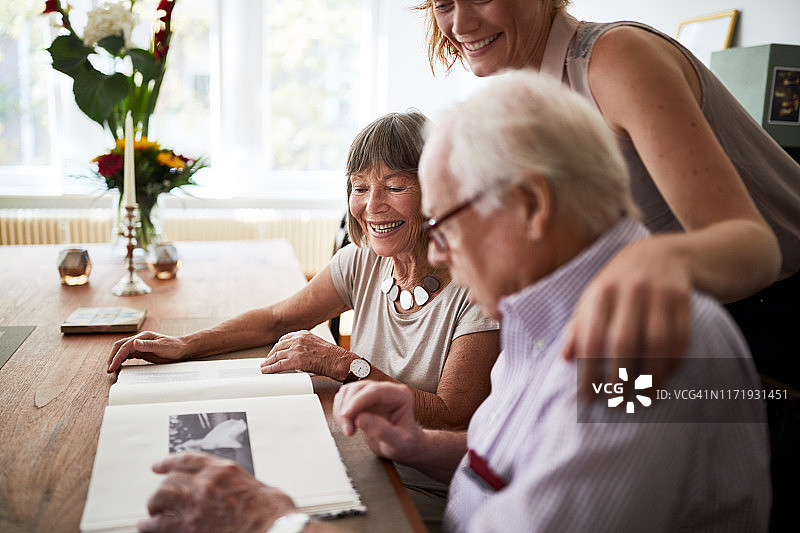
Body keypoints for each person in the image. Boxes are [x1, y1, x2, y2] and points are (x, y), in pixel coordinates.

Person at [135, 72, 770, 533]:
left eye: (444, 222)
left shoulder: (633, 352)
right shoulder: (538, 311)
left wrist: (268, 523)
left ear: (529, 206)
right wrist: (419, 444)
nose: (435, 253)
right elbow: (512, 464)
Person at [414, 0, 800, 391]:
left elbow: (756, 249)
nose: (459, 23)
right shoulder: (526, 103)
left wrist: (645, 261)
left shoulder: (616, 58)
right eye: (444, 4)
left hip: (768, 319)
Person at [107, 111, 499, 431]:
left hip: (417, 487)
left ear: (436, 191)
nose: (371, 206)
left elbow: (452, 415)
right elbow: (277, 319)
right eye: (359, 188)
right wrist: (185, 345)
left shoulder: (477, 290)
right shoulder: (362, 261)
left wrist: (344, 364)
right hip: (361, 444)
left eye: (395, 187)